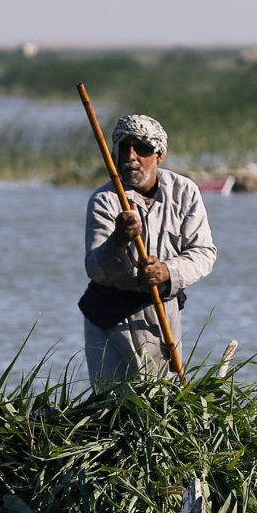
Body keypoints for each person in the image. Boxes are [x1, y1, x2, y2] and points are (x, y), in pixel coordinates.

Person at [80, 114, 216, 383]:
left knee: (162, 403)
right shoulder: (105, 200)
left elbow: (203, 253)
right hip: (109, 317)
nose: (131, 156)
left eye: (141, 148)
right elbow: (96, 269)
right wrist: (118, 241)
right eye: (124, 147)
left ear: (159, 155)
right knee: (115, 408)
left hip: (163, 313)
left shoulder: (184, 192)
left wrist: (166, 271)